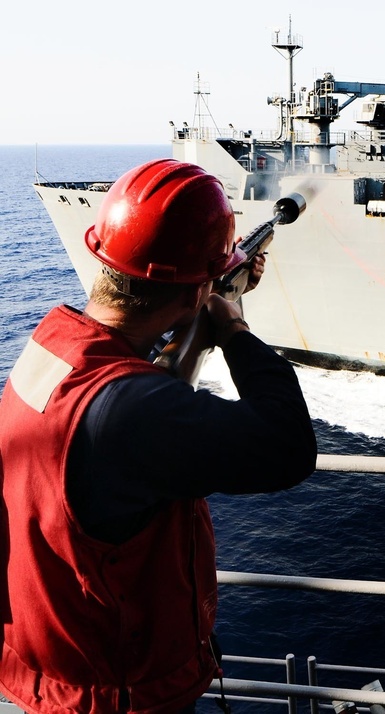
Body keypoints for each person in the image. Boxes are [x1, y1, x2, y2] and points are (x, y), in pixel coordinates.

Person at [0, 159, 318, 714]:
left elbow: (130, 376)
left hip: (51, 676)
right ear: (197, 291)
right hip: (116, 695)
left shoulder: (51, 348)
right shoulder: (133, 412)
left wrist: (206, 302)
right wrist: (234, 326)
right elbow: (289, 447)